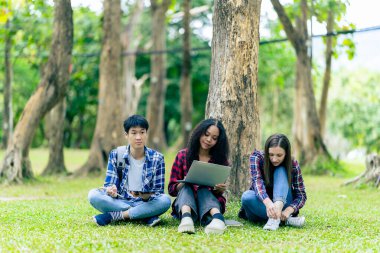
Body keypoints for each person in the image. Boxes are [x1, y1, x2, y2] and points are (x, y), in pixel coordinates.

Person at [88, 115, 171, 227]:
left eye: (142, 132)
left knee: (165, 200)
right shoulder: (117, 154)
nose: (138, 137)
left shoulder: (157, 158)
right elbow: (109, 184)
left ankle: (114, 216)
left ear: (146, 134)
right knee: (93, 195)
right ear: (126, 135)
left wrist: (146, 196)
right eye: (134, 133)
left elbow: (158, 192)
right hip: (121, 201)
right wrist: (111, 190)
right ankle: (145, 215)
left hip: (145, 202)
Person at [168, 118, 230, 234]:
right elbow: (171, 189)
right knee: (187, 187)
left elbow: (217, 193)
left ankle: (218, 219)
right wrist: (184, 182)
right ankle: (186, 219)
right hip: (185, 204)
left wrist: (219, 189)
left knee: (203, 189)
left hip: (208, 206)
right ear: (199, 133)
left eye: (214, 138)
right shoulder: (182, 155)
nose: (208, 140)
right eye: (206, 134)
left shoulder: (221, 160)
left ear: (218, 141)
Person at [240, 133, 307, 231]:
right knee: (246, 196)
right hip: (261, 205)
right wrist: (268, 203)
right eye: (271, 155)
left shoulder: (292, 164)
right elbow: (257, 182)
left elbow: (301, 195)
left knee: (280, 170)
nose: (274, 159)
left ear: (286, 154)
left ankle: (275, 218)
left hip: (284, 205)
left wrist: (289, 210)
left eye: (279, 155)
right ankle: (285, 220)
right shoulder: (256, 157)